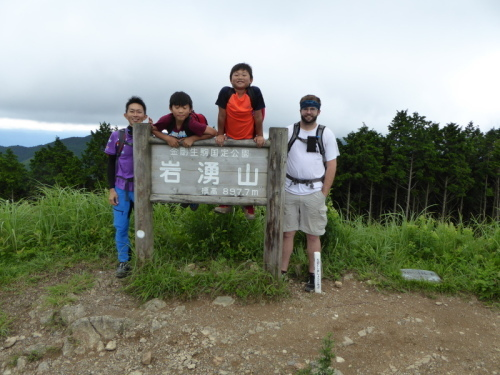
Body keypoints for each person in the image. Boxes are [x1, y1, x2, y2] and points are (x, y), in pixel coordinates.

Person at [281, 95, 340, 292]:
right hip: (289, 189)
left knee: (313, 235)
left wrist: (324, 192)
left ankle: (314, 276)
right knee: (287, 233)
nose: (308, 112)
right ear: (300, 110)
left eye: (312, 109)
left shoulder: (326, 133)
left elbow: (331, 164)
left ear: (318, 112)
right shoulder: (290, 131)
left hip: (314, 191)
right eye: (305, 108)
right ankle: (281, 272)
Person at [105, 96, 150, 278]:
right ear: (126, 115)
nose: (135, 114)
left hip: (141, 189)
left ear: (145, 115)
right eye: (132, 111)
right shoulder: (118, 136)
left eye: (139, 111)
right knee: (121, 226)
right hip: (121, 189)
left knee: (144, 225)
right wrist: (111, 189)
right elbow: (109, 163)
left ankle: (145, 259)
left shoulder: (149, 134)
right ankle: (124, 261)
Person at [214, 62, 266, 219]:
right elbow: (222, 115)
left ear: (251, 79)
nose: (240, 77)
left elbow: (258, 116)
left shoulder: (254, 92)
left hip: (248, 139)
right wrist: (220, 134)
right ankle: (226, 203)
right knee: (227, 169)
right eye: (236, 74)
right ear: (230, 79)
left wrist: (259, 135)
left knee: (247, 173)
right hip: (230, 138)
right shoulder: (225, 92)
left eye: (244, 74)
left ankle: (248, 206)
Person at [152, 91, 217, 211]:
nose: (180, 111)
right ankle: (182, 200)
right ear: (170, 108)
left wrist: (193, 138)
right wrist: (167, 138)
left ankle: (193, 199)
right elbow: (153, 129)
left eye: (184, 107)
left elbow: (213, 133)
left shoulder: (191, 123)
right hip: (178, 155)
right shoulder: (167, 119)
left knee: (193, 173)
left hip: (194, 154)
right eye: (177, 107)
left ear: (190, 109)